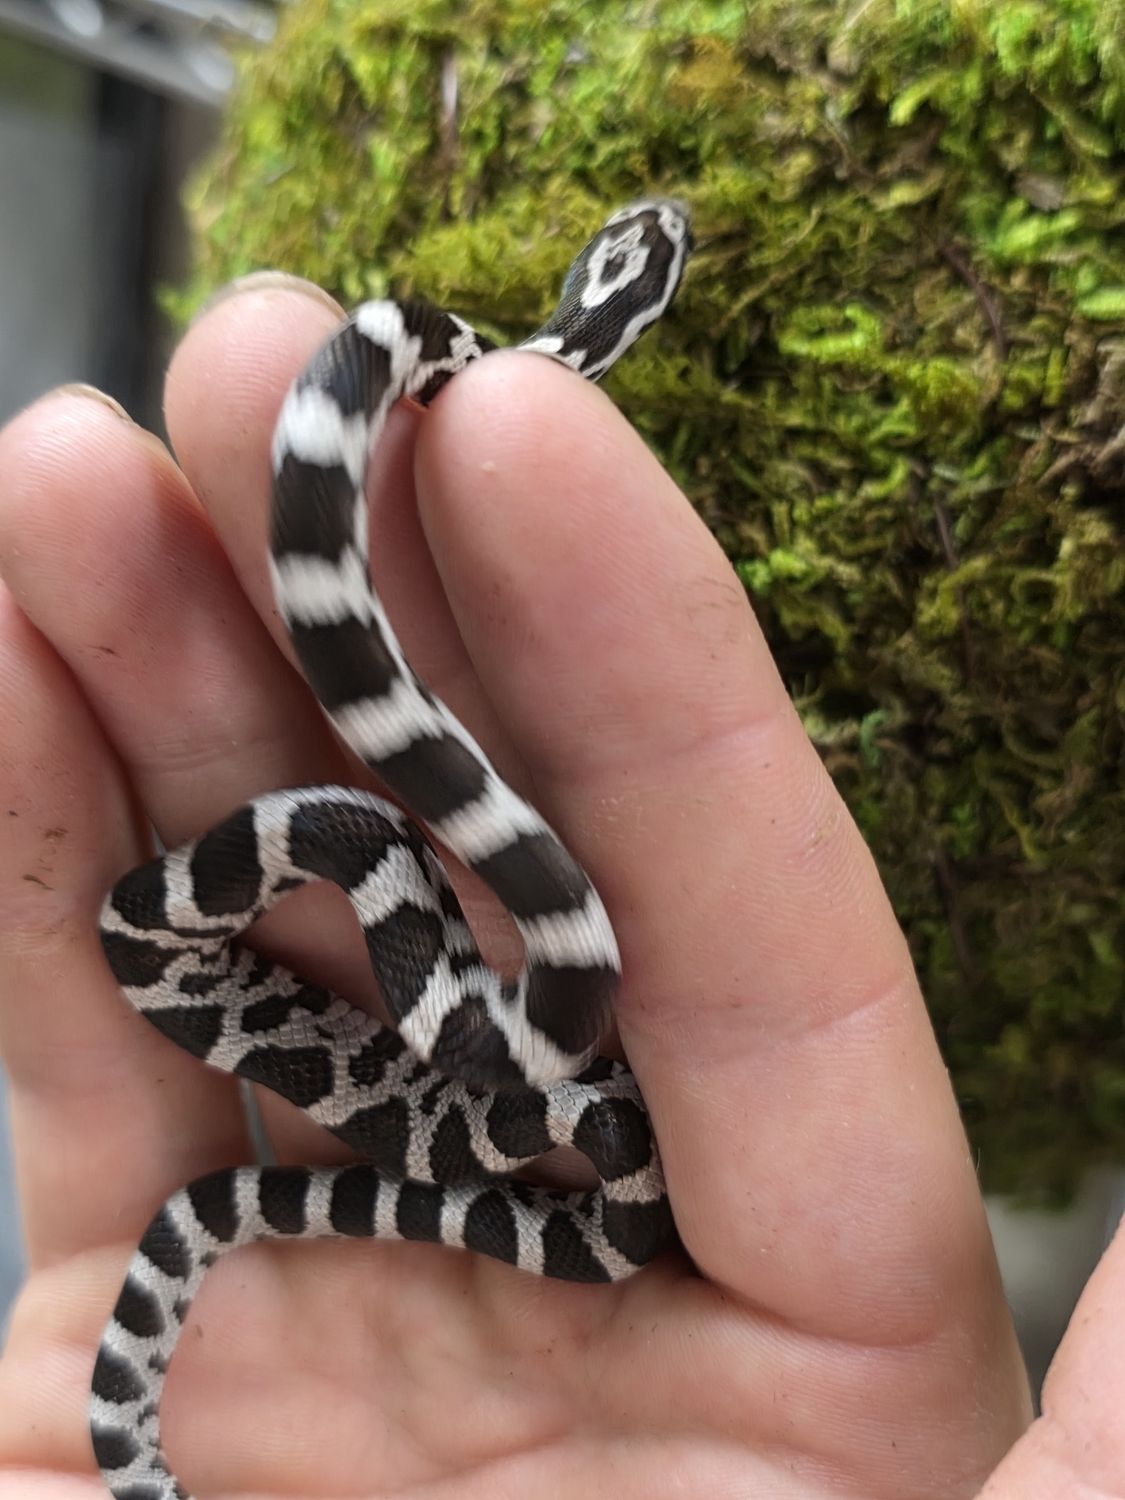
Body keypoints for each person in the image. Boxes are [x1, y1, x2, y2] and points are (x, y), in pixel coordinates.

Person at [0, 272, 1119, 1499]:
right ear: (611, 327)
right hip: (426, 1058)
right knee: (358, 886)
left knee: (308, 900)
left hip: (384, 1045)